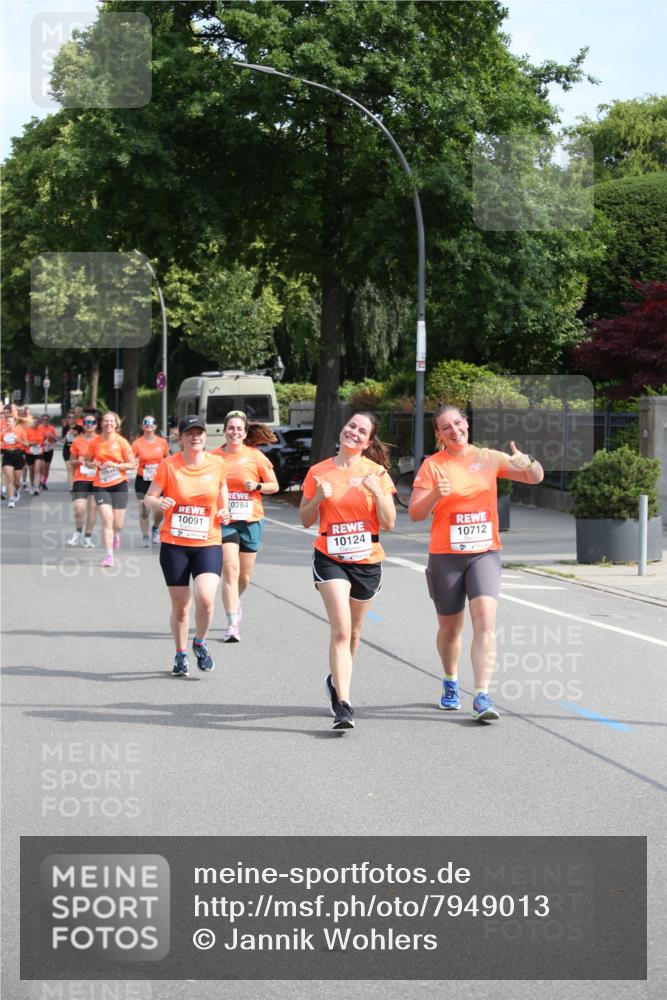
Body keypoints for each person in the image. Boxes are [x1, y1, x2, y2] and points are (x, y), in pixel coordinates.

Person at [409, 404, 544, 723]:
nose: (454, 430)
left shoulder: (488, 457)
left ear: (466, 424)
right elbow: (415, 512)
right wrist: (434, 496)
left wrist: (529, 461)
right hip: (446, 555)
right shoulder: (433, 465)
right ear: (439, 435)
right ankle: (450, 680)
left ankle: (482, 694)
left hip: (484, 552)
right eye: (446, 427)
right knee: (450, 629)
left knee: (484, 620)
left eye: (458, 423)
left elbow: (535, 477)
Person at [299, 412, 396, 730]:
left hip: (367, 560)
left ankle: (336, 682)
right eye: (351, 425)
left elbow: (390, 522)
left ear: (368, 442)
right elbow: (304, 518)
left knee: (354, 633)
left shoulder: (377, 472)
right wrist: (316, 499)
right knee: (341, 628)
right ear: (342, 430)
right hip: (330, 557)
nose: (353, 432)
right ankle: (344, 703)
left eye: (361, 430)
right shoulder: (319, 471)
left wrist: (378, 491)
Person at [144, 415, 229, 677]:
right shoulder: (168, 466)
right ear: (180, 437)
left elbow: (222, 487)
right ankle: (181, 654)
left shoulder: (216, 463)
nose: (195, 437)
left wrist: (224, 509)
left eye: (199, 432)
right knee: (181, 608)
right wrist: (160, 504)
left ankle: (200, 643)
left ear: (205, 436)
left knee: (205, 599)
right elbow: (149, 498)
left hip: (208, 541)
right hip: (175, 544)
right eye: (189, 433)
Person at [211, 410, 279, 642]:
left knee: (244, 577)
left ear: (245, 432)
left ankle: (235, 601)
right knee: (230, 570)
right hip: (226, 521)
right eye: (231, 428)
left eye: (239, 429)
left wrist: (257, 486)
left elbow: (274, 486)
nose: (235, 432)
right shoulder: (214, 457)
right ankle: (232, 624)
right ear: (224, 430)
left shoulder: (256, 456)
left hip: (251, 520)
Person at [85, 412, 135, 567]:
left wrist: (117, 465)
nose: (108, 424)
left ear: (116, 423)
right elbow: (87, 461)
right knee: (107, 519)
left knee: (117, 523)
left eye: (111, 421)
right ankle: (108, 555)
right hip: (101, 485)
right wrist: (92, 464)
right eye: (105, 421)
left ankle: (117, 534)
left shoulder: (122, 442)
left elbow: (132, 464)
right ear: (101, 424)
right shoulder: (95, 442)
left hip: (119, 483)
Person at [131, 416, 169, 547]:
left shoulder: (162, 442)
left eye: (151, 423)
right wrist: (134, 462)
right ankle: (145, 536)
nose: (148, 425)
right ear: (142, 426)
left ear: (155, 426)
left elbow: (167, 458)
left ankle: (155, 528)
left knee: (160, 509)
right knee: (143, 509)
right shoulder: (137, 444)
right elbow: (131, 459)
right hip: (143, 479)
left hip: (158, 480)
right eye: (145, 423)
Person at [66, 414, 100, 547]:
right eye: (87, 422)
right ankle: (78, 531)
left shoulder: (101, 441)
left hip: (97, 479)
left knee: (92, 508)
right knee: (79, 508)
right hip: (81, 479)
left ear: (96, 424)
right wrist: (79, 461)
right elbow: (71, 461)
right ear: (84, 424)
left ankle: (87, 537)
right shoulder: (77, 441)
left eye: (92, 422)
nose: (89, 424)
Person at [1, 415, 28, 508]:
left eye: (10, 421)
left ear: (14, 422)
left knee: (16, 482)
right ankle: (11, 500)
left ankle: (16, 490)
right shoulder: (3, 432)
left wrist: (19, 439)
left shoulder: (20, 431)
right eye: (7, 421)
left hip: (18, 455)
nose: (8, 423)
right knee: (10, 479)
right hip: (7, 455)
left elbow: (27, 444)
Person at [23, 414, 43, 495]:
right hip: (29, 452)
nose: (35, 424)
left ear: (38, 423)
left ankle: (36, 487)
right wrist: (32, 443)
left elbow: (44, 441)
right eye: (33, 422)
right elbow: (24, 442)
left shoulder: (41, 430)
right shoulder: (27, 430)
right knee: (31, 470)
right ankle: (32, 484)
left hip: (39, 452)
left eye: (36, 422)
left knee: (37, 470)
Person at [38, 413, 58, 489]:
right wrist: (43, 437)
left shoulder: (51, 428)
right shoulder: (39, 427)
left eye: (46, 419)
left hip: (49, 449)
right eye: (44, 419)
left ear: (48, 420)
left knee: (46, 467)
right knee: (41, 466)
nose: (45, 421)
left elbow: (56, 440)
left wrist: (51, 436)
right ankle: (39, 481)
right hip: (41, 449)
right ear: (41, 420)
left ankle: (43, 482)